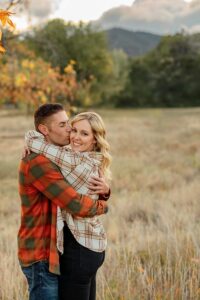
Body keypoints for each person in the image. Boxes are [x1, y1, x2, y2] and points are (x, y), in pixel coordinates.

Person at [18, 103, 110, 300]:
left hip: (73, 250)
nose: (71, 132)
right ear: (45, 130)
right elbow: (75, 204)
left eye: (72, 126)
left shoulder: (70, 161)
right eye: (65, 125)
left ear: (95, 140)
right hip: (42, 252)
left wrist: (31, 140)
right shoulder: (41, 162)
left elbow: (77, 201)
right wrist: (104, 202)